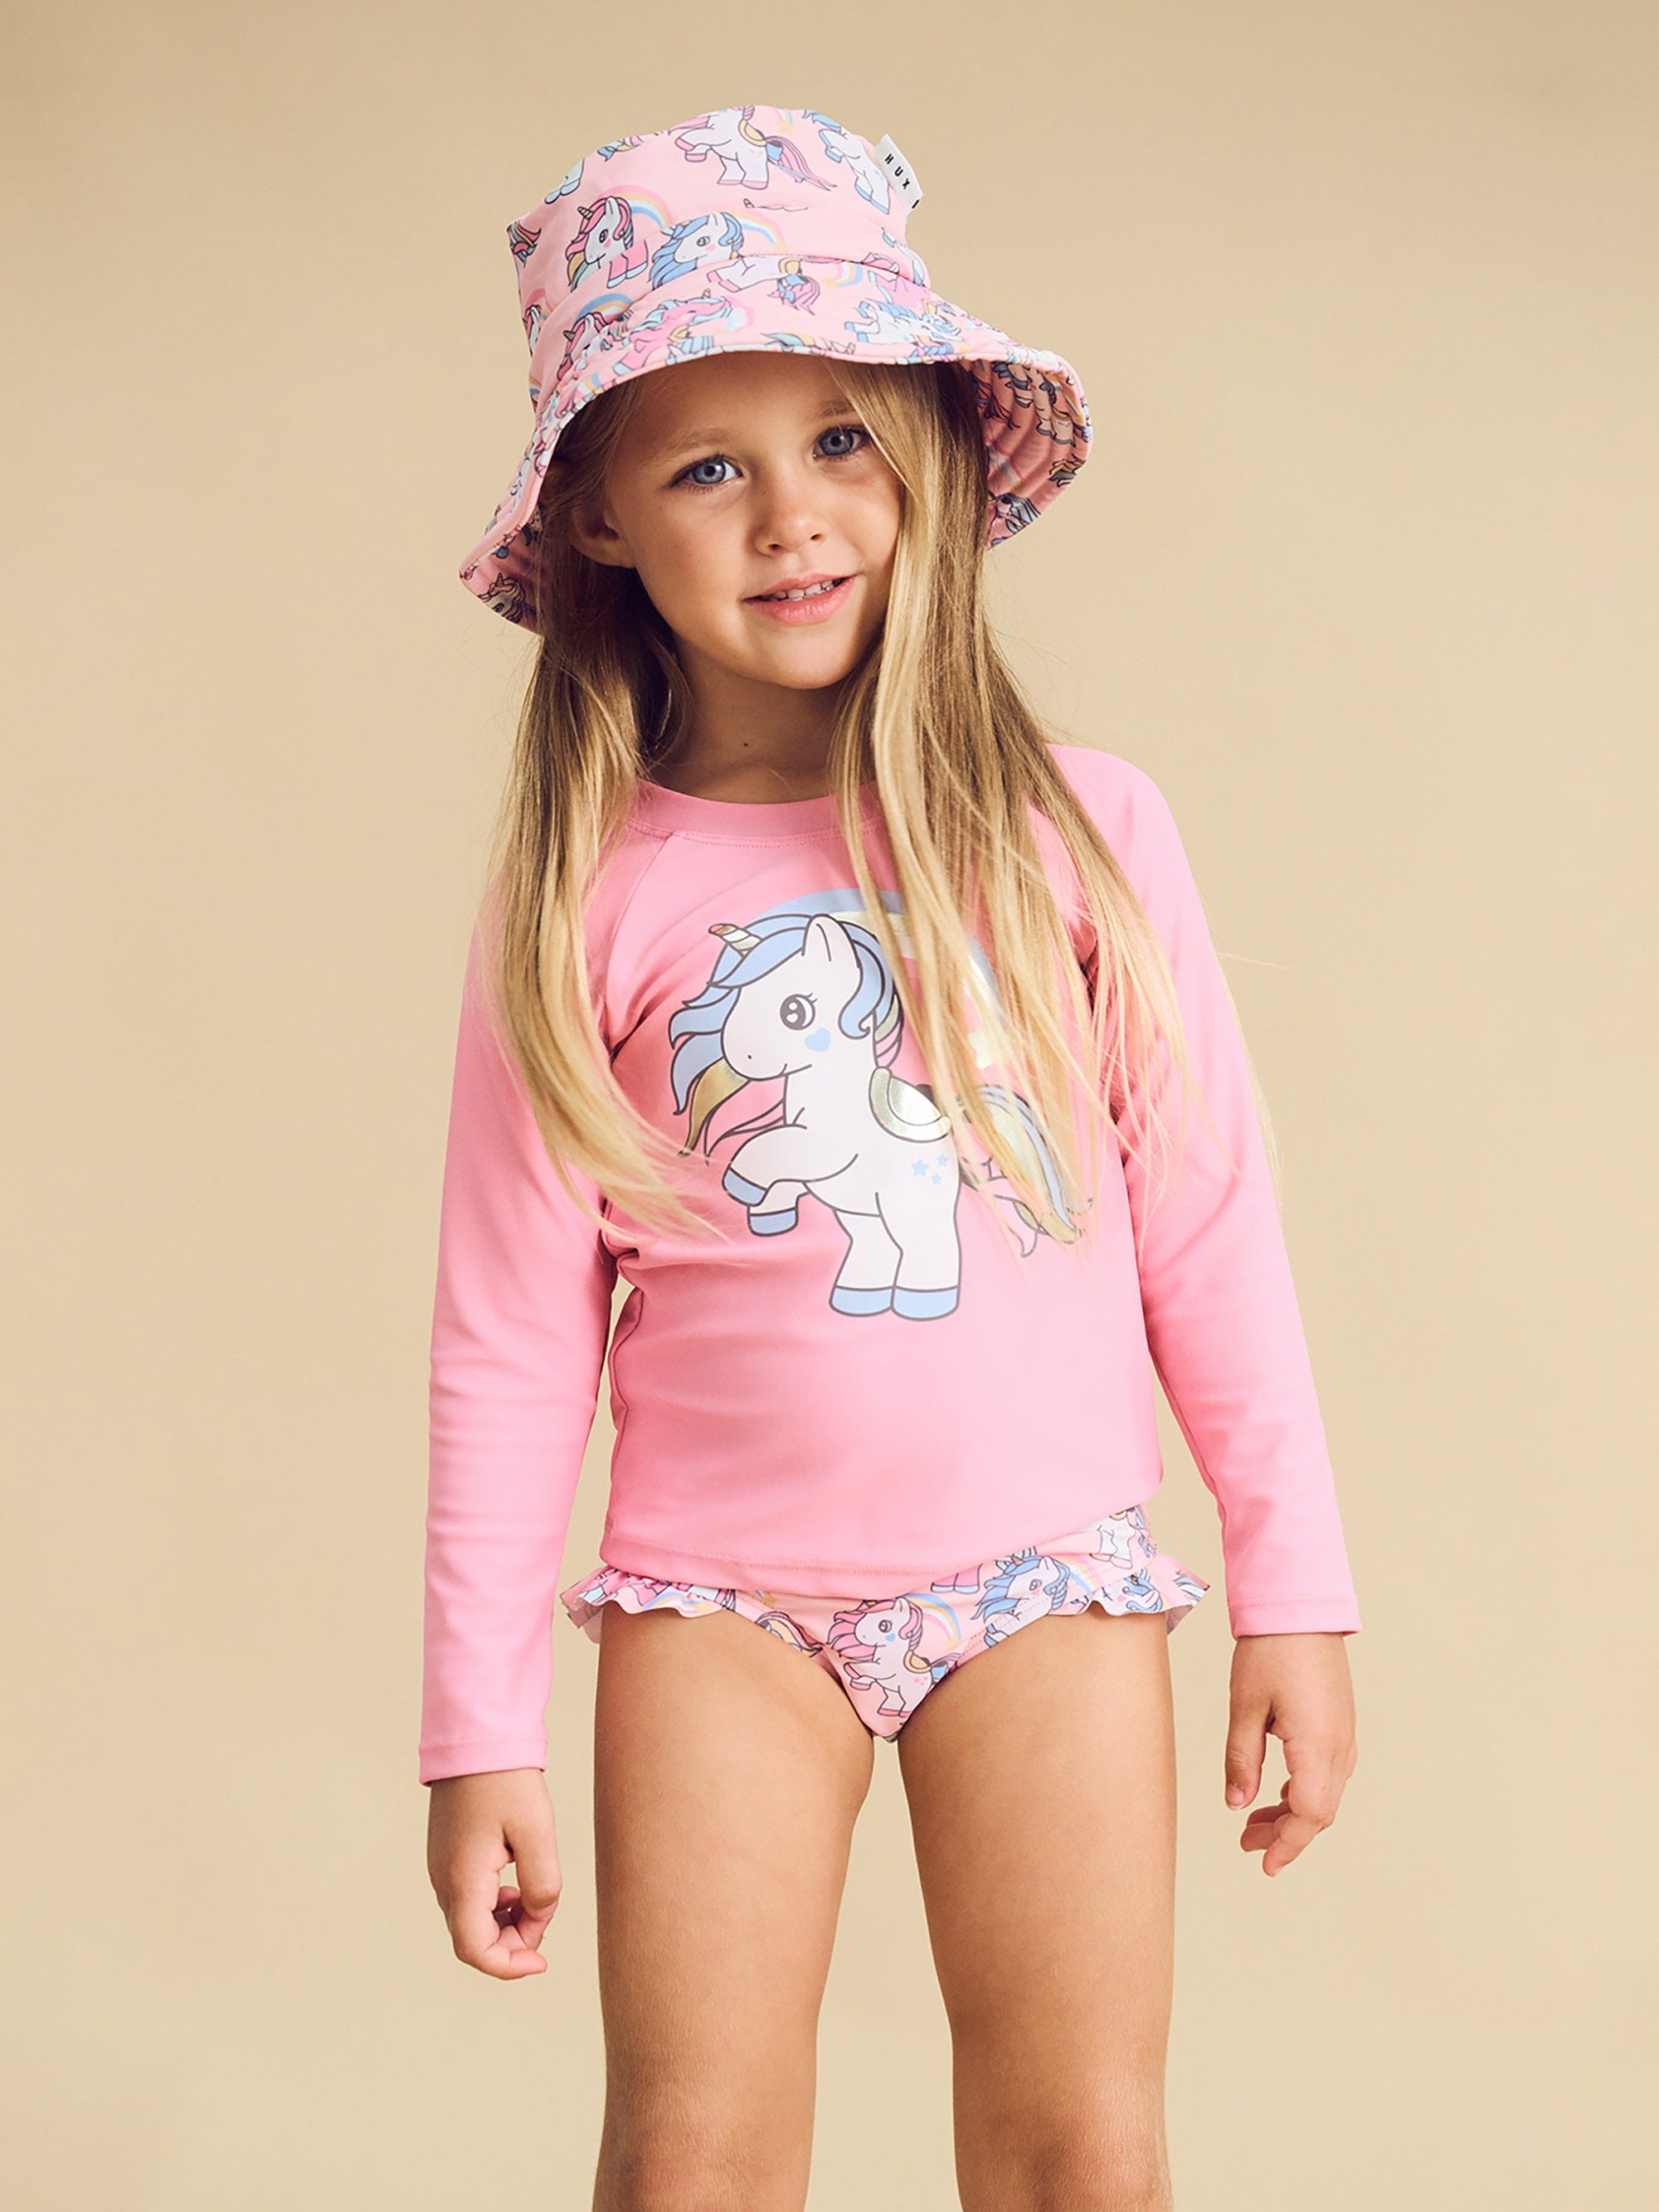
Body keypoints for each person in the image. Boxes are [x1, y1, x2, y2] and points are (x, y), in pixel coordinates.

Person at [421, 102, 1360, 2210]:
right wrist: (475, 1727)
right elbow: (506, 1335)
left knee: (1078, 2152)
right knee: (690, 2157)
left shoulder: (1081, 831)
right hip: (717, 1599)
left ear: (927, 453)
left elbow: (1209, 1230)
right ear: (599, 516)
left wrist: (1292, 1588)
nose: (792, 518)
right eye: (708, 466)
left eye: (842, 438)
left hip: (1045, 1578)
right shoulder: (590, 888)